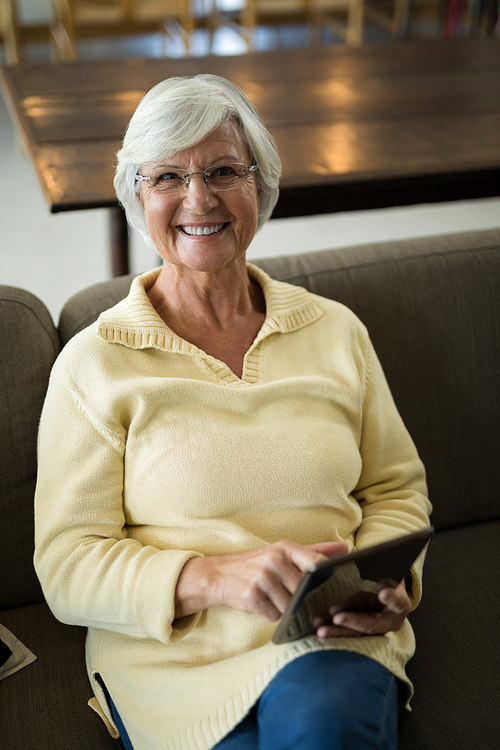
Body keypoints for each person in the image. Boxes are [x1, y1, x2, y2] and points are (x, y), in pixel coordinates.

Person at [34, 74, 432, 750]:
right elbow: (68, 564)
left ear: (260, 186)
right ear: (137, 195)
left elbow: (395, 488)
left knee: (324, 730)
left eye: (223, 170)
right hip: (171, 664)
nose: (200, 199)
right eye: (167, 177)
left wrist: (386, 585)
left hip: (326, 646)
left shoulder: (335, 333)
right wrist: (214, 578)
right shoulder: (93, 364)